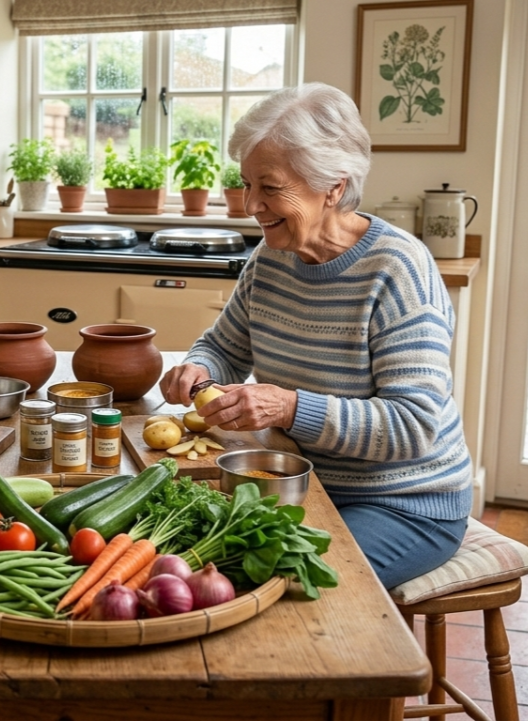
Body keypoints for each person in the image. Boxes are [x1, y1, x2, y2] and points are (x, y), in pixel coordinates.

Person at [160, 82, 472, 589]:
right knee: (189, 559)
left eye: (270, 187)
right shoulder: (271, 257)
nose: (250, 205)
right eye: (246, 184)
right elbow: (224, 346)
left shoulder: (398, 269)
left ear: (332, 185)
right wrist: (201, 367)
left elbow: (413, 426)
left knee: (271, 586)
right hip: (299, 482)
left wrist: (287, 407)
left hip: (403, 502)